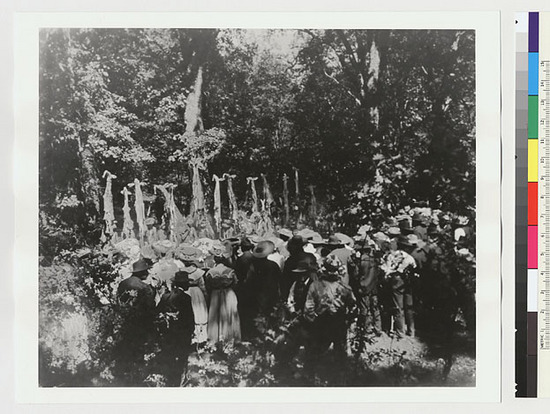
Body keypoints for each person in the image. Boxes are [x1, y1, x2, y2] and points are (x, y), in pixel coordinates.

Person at [303, 254, 355, 362]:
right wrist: (347, 320)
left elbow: (308, 308)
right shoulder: (345, 288)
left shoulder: (315, 285)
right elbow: (353, 307)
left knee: (316, 355)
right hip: (338, 324)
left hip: (321, 324)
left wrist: (312, 323)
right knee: (340, 357)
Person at [114, 258, 156, 385]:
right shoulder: (144, 287)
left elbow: (118, 301)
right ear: (142, 273)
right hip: (140, 322)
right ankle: (137, 373)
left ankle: (124, 370)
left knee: (126, 346)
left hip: (124, 320)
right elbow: (150, 307)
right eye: (147, 271)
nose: (148, 274)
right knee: (138, 347)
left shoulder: (123, 283)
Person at [157, 271, 195, 387]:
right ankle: (179, 380)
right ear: (184, 285)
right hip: (182, 332)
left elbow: (157, 311)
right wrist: (191, 331)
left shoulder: (165, 296)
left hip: (168, 331)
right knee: (182, 356)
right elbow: (189, 317)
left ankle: (169, 379)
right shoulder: (186, 297)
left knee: (170, 356)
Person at [239, 240, 281, 339]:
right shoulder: (273, 265)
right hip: (269, 295)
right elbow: (278, 282)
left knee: (255, 320)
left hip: (254, 296)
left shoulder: (251, 265)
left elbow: (247, 282)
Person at [380, 235, 418, 338]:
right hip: (408, 282)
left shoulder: (391, 256)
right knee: (409, 307)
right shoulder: (410, 258)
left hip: (396, 280)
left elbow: (387, 270)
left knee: (398, 306)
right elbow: (415, 268)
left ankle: (400, 331)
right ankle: (411, 330)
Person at [175, 244, 209, 344]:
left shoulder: (180, 272)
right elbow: (202, 287)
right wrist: (206, 297)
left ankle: (192, 335)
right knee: (199, 312)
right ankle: (200, 337)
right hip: (197, 293)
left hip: (185, 291)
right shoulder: (198, 272)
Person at [350, 236, 383, 336]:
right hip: (374, 287)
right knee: (375, 308)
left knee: (365, 308)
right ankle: (378, 328)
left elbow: (356, 275)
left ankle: (367, 328)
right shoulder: (374, 260)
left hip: (364, 287)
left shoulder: (361, 262)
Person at [205, 259, 241, 343]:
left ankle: (215, 338)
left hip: (215, 293)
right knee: (230, 314)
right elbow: (235, 283)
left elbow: (208, 285)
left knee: (215, 315)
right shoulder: (231, 271)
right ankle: (230, 337)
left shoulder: (210, 272)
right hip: (229, 293)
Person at [281, 235, 317, 301]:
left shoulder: (290, 260)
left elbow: (285, 282)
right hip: (309, 289)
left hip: (297, 291)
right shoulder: (311, 257)